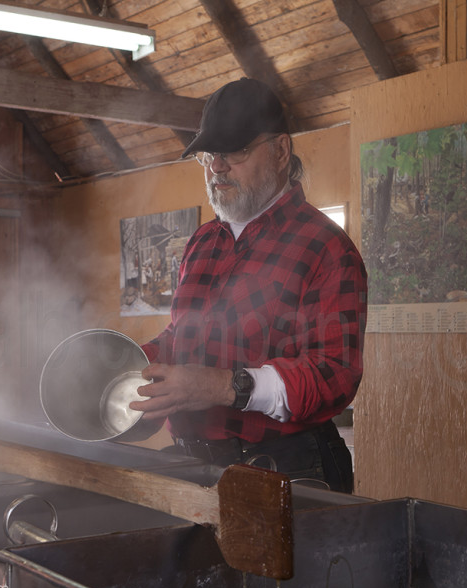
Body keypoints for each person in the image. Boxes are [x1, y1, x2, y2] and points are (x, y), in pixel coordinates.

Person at [129, 77, 367, 493]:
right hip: (194, 463)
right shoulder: (204, 241)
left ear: (280, 151)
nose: (216, 166)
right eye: (209, 154)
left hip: (287, 469)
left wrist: (223, 387)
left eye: (234, 151)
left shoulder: (327, 247)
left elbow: (334, 375)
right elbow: (186, 333)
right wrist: (128, 363)